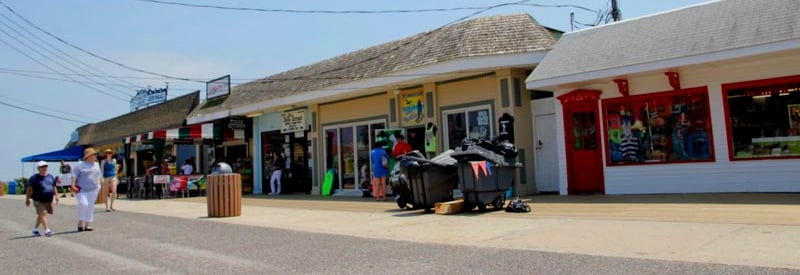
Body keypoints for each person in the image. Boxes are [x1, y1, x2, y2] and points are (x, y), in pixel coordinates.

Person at [72, 147, 101, 232]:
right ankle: (81, 221)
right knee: (84, 204)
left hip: (94, 188)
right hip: (81, 189)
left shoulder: (96, 164)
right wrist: (73, 185)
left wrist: (99, 184)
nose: (96, 156)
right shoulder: (80, 165)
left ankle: (87, 224)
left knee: (90, 206)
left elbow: (99, 175)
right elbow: (74, 175)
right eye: (94, 154)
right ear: (89, 156)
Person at [26, 161, 58, 237]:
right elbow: (29, 189)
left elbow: (54, 186)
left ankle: (35, 229)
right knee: (43, 213)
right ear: (38, 168)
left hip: (48, 199)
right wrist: (27, 199)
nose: (44, 168)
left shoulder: (50, 176)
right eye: (42, 167)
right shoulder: (34, 178)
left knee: (41, 215)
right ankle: (47, 230)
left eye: (45, 166)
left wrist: (56, 196)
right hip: (38, 200)